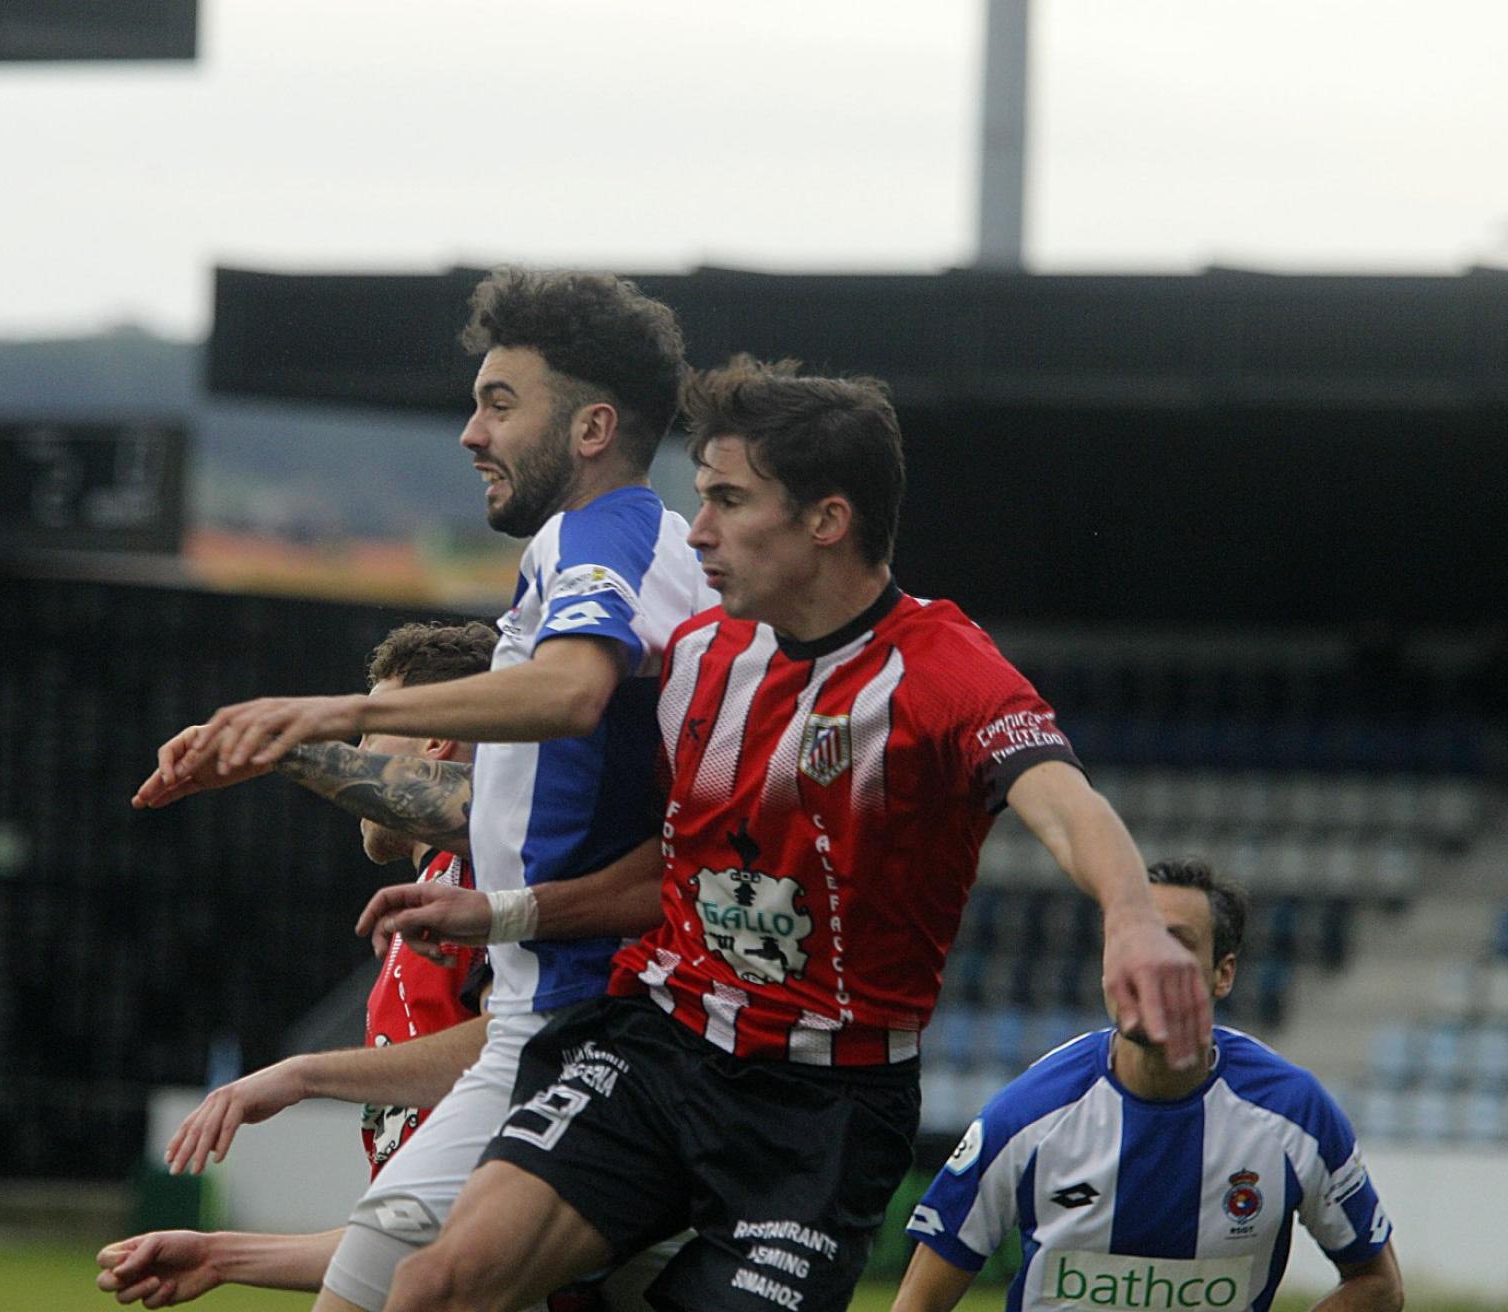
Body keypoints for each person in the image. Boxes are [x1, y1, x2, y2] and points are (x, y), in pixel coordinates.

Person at [359, 356, 1210, 1312]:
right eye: (699, 496)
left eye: (728, 499)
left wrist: (1132, 917)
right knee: (435, 1283)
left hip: (823, 1113)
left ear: (827, 520)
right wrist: (504, 910)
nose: (700, 529)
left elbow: (1061, 795)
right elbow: (665, 863)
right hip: (657, 1049)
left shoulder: (942, 671)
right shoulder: (698, 655)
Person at [131, 268, 714, 1312]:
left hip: (591, 1026)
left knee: (396, 1288)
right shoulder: (638, 553)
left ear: (590, 426)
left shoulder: (605, 536)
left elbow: (573, 696)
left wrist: (331, 716)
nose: (468, 434)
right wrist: (290, 746)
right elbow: (474, 806)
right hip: (571, 1027)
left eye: (499, 403)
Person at [95, 622, 497, 1309]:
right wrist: (223, 1255)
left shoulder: (497, 878)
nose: (357, 753)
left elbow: (516, 1046)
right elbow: (403, 1244)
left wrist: (305, 1074)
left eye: (371, 732)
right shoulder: (437, 887)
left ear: (434, 740)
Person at [894, 858, 1403, 1312]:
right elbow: (918, 1303)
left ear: (1222, 975)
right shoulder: (1028, 1115)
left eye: (1174, 945)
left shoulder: (1295, 1115)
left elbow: (1378, 1285)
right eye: (1129, 943)